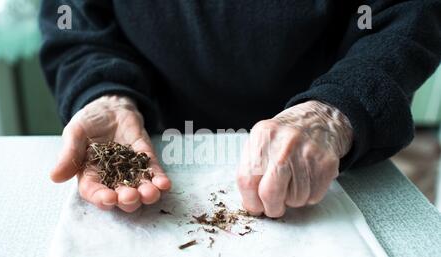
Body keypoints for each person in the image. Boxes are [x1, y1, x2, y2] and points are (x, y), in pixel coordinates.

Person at [39, 1, 441, 217]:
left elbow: (408, 12)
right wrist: (103, 93)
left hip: (328, 155)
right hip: (158, 144)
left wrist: (333, 111)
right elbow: (76, 22)